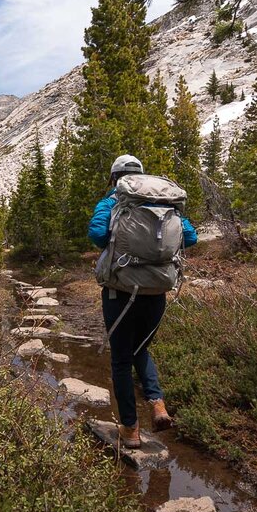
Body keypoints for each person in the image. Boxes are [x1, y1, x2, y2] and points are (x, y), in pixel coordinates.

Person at [88, 155, 198, 448]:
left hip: (120, 292)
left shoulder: (112, 202)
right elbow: (191, 236)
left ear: (114, 178)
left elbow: (97, 235)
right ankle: (158, 404)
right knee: (141, 349)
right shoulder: (165, 204)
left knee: (121, 359)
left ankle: (130, 430)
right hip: (157, 291)